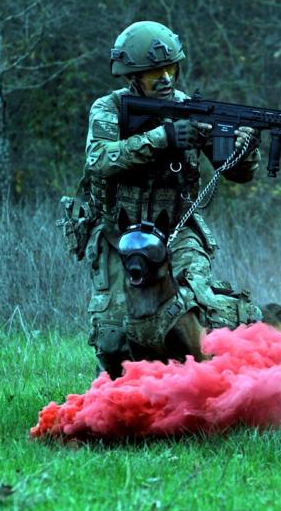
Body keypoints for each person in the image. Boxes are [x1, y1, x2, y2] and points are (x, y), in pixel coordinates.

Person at [80, 20, 264, 375]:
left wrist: (244, 149)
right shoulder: (110, 109)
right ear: (132, 77)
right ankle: (128, 391)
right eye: (154, 73)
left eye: (171, 69)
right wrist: (163, 138)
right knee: (113, 338)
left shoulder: (193, 111)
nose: (165, 78)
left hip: (176, 230)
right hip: (119, 233)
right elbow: (99, 160)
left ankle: (202, 381)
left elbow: (238, 174)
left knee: (199, 309)